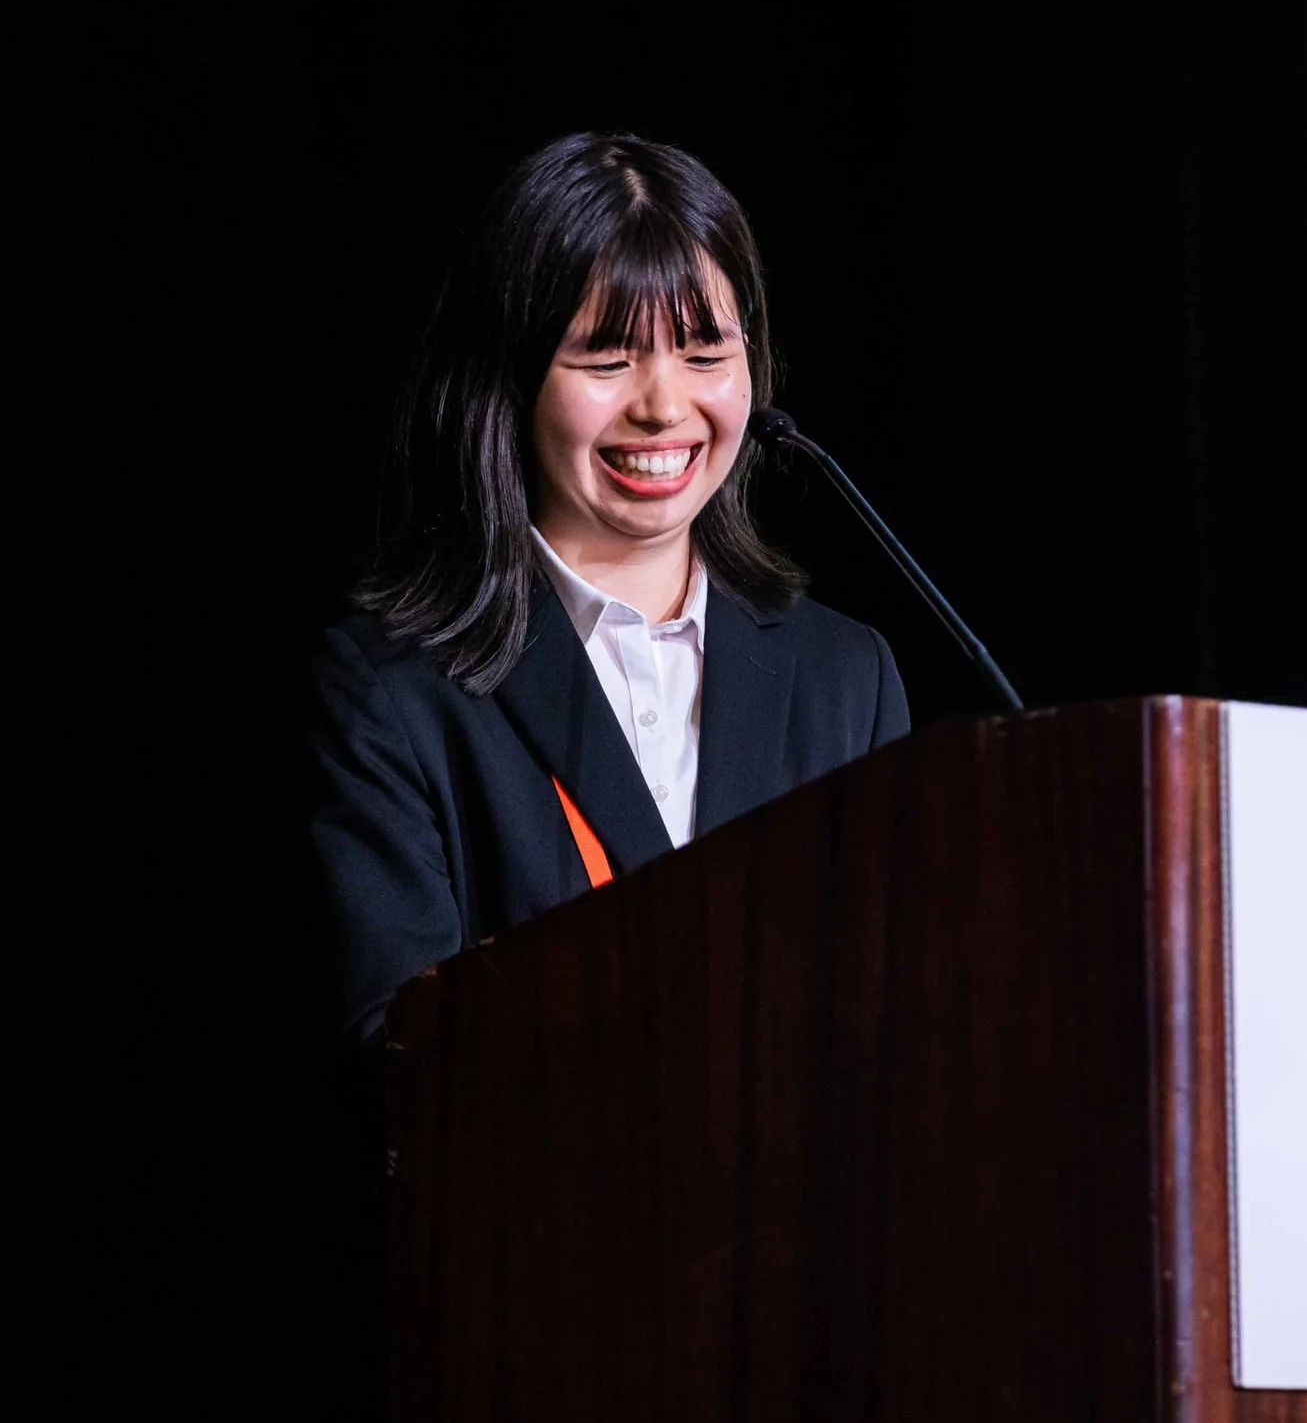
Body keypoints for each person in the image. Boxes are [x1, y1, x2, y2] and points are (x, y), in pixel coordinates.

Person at [311, 131, 910, 1042]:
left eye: (706, 354)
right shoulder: (390, 690)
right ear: (508, 376)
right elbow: (395, 1062)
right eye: (607, 357)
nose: (664, 406)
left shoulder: (847, 676)